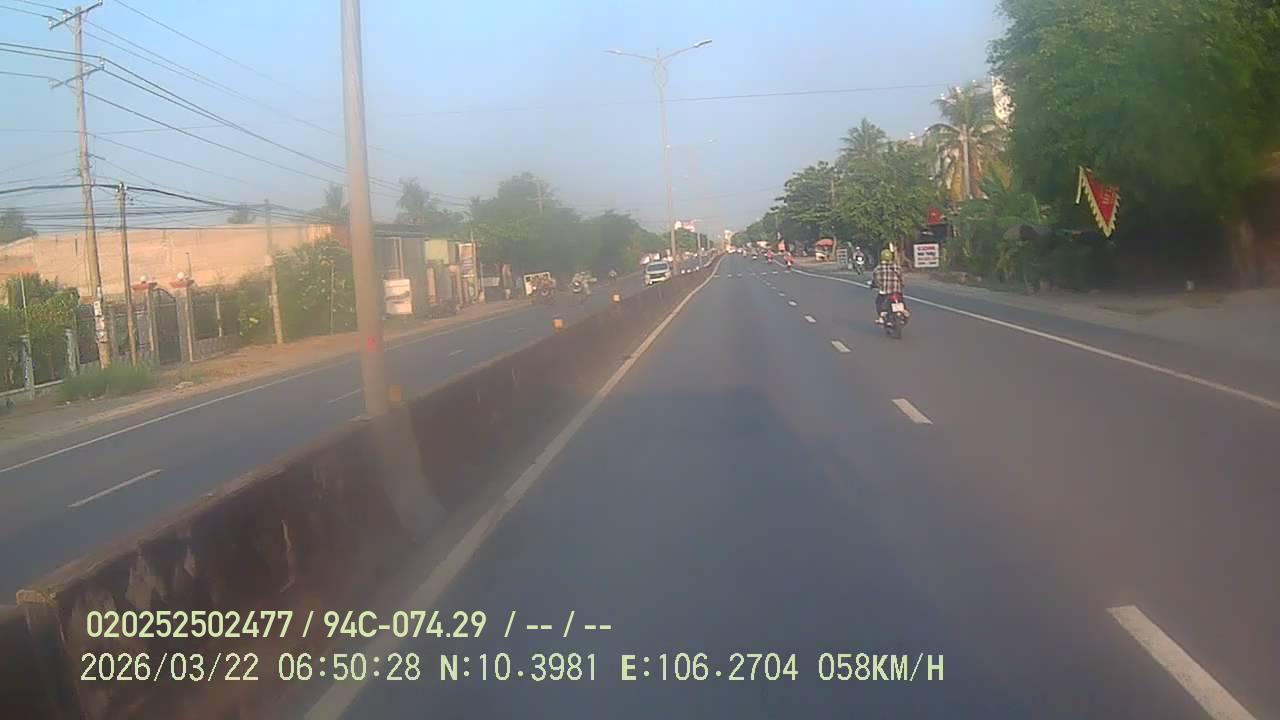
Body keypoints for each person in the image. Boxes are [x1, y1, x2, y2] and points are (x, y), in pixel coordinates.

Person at [870, 248, 904, 324]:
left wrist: (873, 285)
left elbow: (875, 280)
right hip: (897, 290)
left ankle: (881, 317)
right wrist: (901, 285)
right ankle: (903, 312)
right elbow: (902, 279)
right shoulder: (897, 267)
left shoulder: (878, 268)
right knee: (901, 299)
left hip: (885, 291)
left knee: (878, 301)